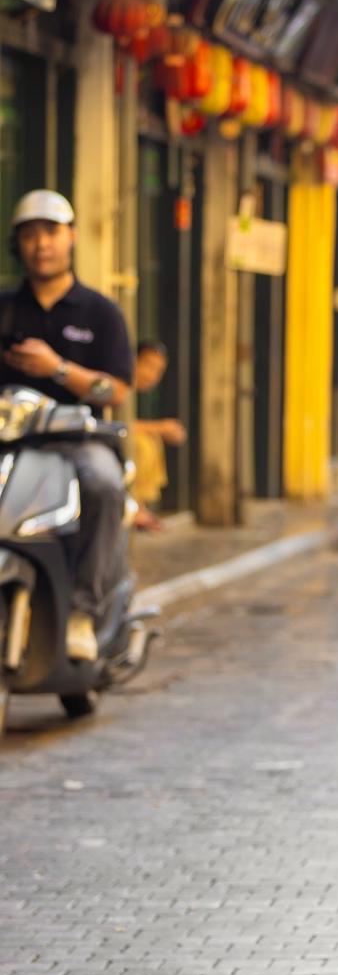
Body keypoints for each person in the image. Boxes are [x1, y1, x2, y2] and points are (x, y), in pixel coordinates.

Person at [0, 191, 133, 660]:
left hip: (79, 442)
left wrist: (57, 369)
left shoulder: (101, 312)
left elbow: (115, 391)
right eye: (30, 235)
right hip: (12, 443)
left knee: (104, 486)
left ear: (71, 237)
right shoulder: (5, 307)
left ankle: (82, 611)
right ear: (18, 244)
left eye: (51, 232)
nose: (41, 245)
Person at [129, 340, 187, 530]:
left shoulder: (137, 394)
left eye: (158, 370)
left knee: (149, 438)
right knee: (142, 442)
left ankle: (140, 504)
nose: (151, 375)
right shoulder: (119, 386)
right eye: (147, 365)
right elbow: (120, 424)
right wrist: (160, 427)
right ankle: (133, 505)